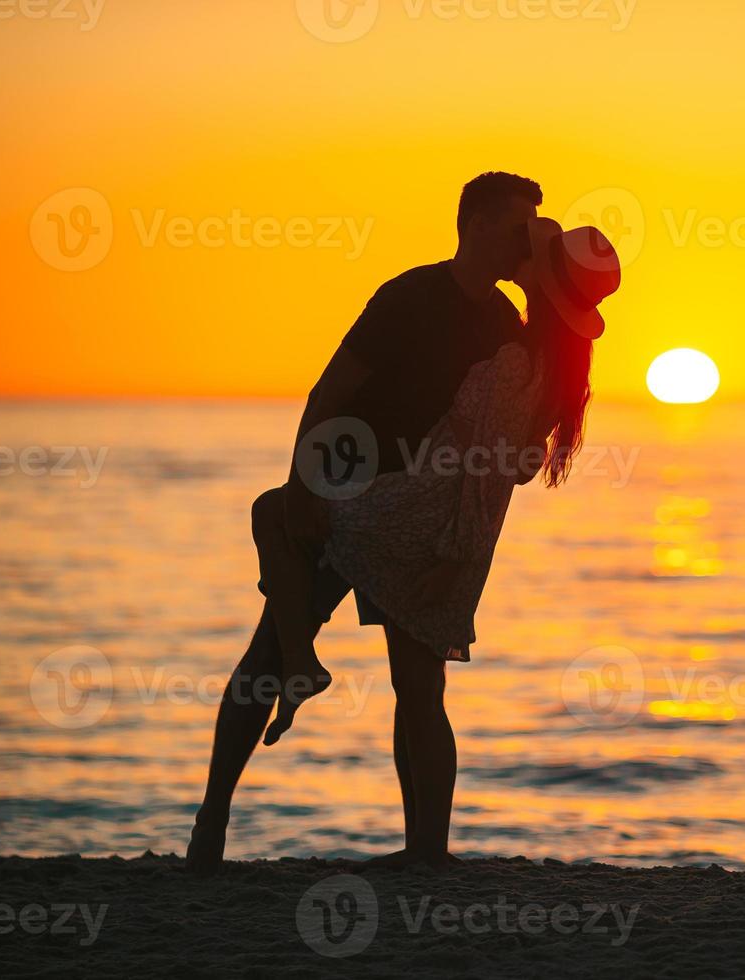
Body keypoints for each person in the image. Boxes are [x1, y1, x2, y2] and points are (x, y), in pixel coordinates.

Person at [185, 173, 600, 873]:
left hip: (399, 521)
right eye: (517, 227)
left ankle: (417, 847)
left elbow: (497, 465)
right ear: (472, 225)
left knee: (404, 686)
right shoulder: (410, 298)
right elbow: (332, 391)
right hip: (361, 495)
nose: (525, 242)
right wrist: (304, 483)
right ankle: (218, 820)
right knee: (288, 660)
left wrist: (448, 542)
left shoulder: (506, 331)